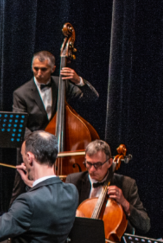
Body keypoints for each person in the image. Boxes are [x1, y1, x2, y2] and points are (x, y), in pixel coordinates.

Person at [8, 50, 99, 206]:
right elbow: (20, 126)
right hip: (33, 150)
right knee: (19, 192)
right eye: (35, 68)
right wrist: (39, 144)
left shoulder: (62, 84)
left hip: (60, 150)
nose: (38, 73)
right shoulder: (21, 93)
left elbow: (92, 98)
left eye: (43, 69)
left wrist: (78, 81)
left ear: (53, 68)